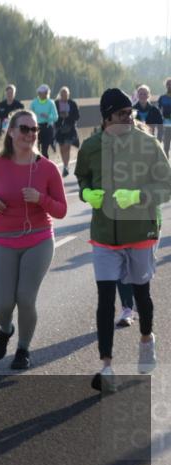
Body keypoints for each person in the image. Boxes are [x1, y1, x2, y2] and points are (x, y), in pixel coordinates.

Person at [74, 88, 171, 393]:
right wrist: (87, 194)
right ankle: (106, 367)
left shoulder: (148, 144)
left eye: (130, 112)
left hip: (141, 232)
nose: (128, 118)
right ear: (106, 119)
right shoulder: (90, 147)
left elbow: (166, 186)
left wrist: (138, 197)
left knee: (142, 295)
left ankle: (146, 340)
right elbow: (83, 179)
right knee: (105, 299)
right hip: (104, 235)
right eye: (121, 114)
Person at [0, 110, 67, 369]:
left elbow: (61, 210)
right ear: (12, 132)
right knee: (2, 306)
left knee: (26, 298)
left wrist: (41, 198)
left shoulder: (47, 168)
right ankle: (6, 329)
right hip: (5, 239)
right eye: (25, 128)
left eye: (34, 130)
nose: (30, 134)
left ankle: (23, 349)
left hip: (39, 239)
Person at [53, 86, 80, 177]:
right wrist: (60, 116)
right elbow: (53, 115)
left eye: (66, 94)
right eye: (62, 94)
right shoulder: (56, 103)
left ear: (68, 95)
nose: (64, 96)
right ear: (60, 95)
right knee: (62, 148)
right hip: (60, 129)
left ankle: (65, 166)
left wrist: (68, 115)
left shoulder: (72, 103)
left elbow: (77, 116)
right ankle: (65, 164)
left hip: (70, 128)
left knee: (67, 146)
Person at [30, 85, 58, 159]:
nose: (42, 95)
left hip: (47, 128)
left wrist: (48, 117)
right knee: (36, 150)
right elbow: (29, 114)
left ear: (47, 93)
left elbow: (56, 117)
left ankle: (45, 167)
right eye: (40, 93)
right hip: (36, 128)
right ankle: (36, 167)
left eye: (44, 93)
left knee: (44, 151)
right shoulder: (34, 103)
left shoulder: (51, 103)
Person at [157, 77, 171, 155]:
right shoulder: (162, 98)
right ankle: (167, 163)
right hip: (166, 124)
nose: (170, 86)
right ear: (166, 86)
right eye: (168, 84)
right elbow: (158, 110)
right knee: (166, 145)